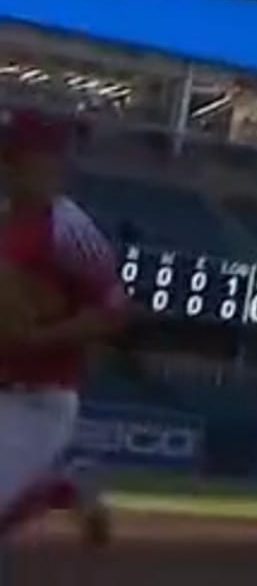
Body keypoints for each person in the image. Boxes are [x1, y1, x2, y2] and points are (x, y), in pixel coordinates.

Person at [0, 115, 121, 551]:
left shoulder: (68, 227)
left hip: (41, 399)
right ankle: (62, 486)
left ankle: (60, 485)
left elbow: (111, 311)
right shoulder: (6, 222)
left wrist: (37, 339)